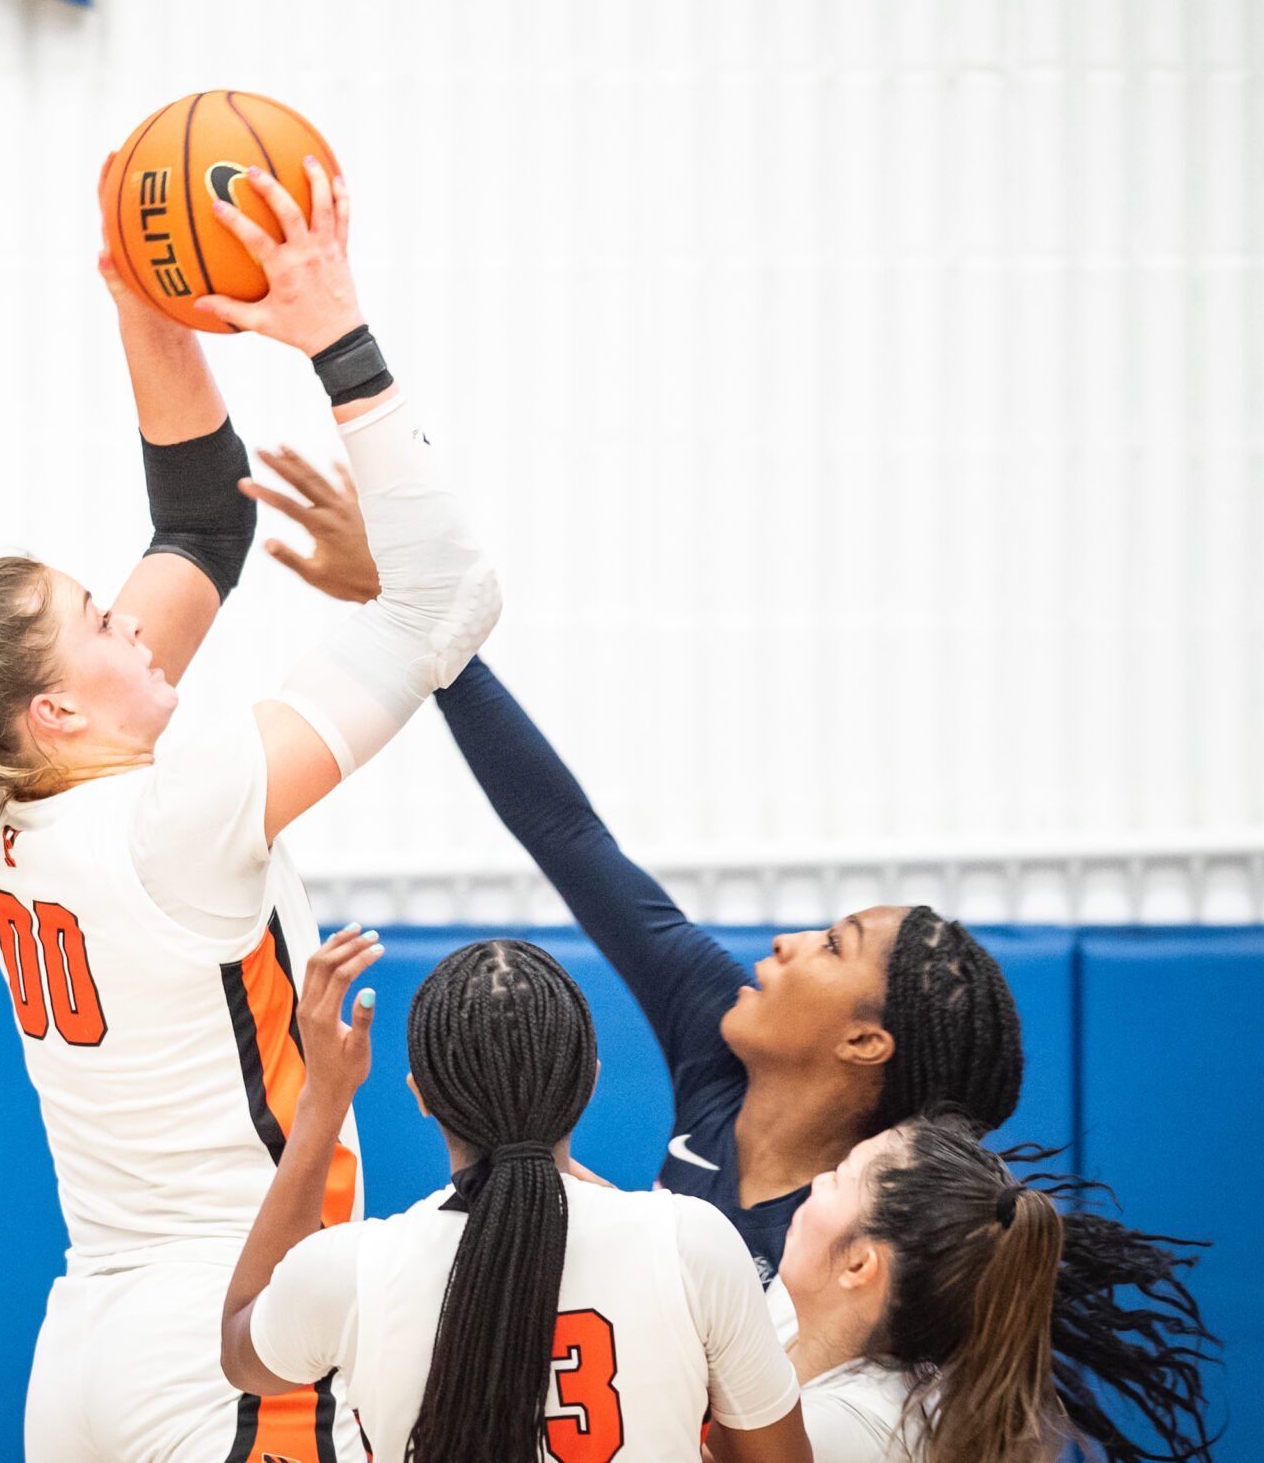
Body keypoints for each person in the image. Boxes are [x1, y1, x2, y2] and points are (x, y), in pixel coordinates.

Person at [0, 156, 499, 1463]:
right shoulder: (180, 818)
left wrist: (144, 295)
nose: (130, 617)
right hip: (230, 1334)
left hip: (90, 1338)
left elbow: (201, 525)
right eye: (99, 617)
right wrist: (335, 331)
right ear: (56, 708)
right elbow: (448, 604)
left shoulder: (4, 807)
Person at [240, 449, 1024, 1285]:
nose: (790, 940)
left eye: (834, 945)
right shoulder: (720, 1025)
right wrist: (416, 619)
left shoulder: (861, 1236)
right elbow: (566, 833)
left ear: (865, 1041)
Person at [220, 933, 813, 1463]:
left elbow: (240, 1354)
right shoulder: (692, 1243)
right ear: (589, 1083)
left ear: (421, 1097)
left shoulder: (349, 1271)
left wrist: (324, 1098)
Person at [780, 1113, 1217, 1463]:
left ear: (859, 1265)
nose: (818, 1181)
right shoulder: (791, 1309)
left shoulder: (844, 1430)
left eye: (838, 1178)